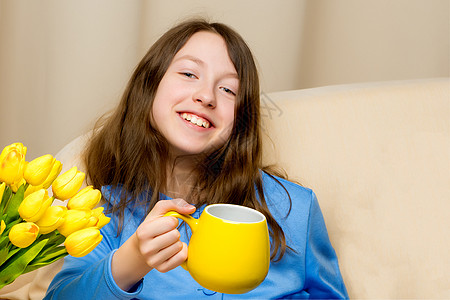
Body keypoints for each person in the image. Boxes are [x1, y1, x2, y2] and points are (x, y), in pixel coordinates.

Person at [45, 19, 348, 299]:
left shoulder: (295, 208)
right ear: (149, 87)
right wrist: (132, 260)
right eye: (189, 74)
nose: (207, 96)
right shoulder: (103, 211)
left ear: (241, 118)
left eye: (228, 89)